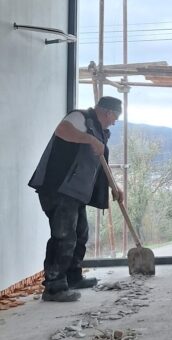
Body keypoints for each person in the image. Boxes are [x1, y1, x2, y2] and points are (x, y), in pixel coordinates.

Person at [29, 96, 124, 303]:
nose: (114, 122)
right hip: (59, 189)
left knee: (81, 234)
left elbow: (100, 165)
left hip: (74, 193)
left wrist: (114, 186)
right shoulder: (80, 117)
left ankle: (73, 277)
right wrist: (90, 139)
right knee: (64, 236)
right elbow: (62, 130)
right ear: (107, 112)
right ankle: (54, 287)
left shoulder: (98, 131)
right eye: (115, 117)